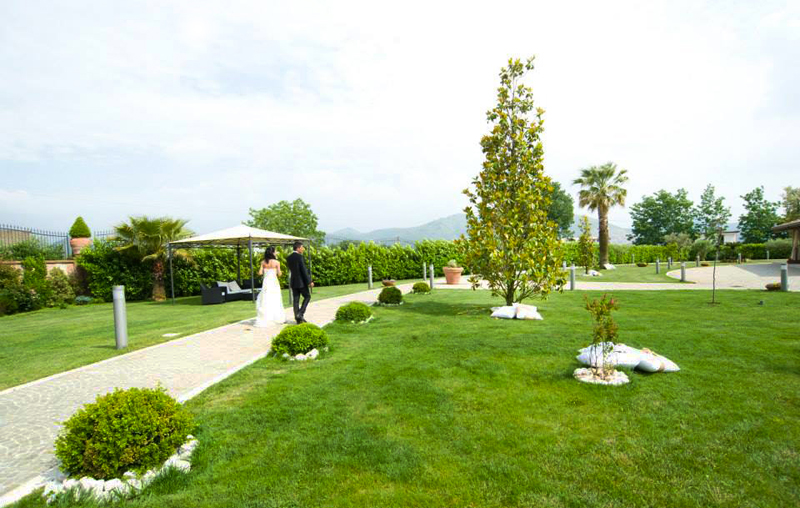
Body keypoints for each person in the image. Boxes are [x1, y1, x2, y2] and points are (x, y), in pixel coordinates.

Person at [255, 246, 286, 327]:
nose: (276, 253)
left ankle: (266, 317)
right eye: (275, 251)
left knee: (266, 299)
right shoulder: (277, 262)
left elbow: (260, 273)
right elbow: (279, 274)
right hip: (274, 283)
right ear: (272, 253)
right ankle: (276, 318)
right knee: (275, 298)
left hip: (266, 282)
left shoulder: (263, 262)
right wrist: (280, 271)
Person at [286, 240, 313, 323]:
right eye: (302, 247)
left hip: (293, 281)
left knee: (296, 300)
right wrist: (309, 281)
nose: (303, 249)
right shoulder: (300, 257)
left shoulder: (289, 257)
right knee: (307, 296)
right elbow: (303, 270)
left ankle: (298, 319)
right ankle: (300, 314)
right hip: (301, 282)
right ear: (297, 248)